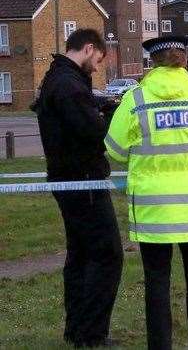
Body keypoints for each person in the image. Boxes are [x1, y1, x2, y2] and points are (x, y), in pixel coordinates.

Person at [105, 35, 188, 350]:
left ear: (152, 62)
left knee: (157, 282)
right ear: (184, 60)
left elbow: (115, 151)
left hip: (154, 208)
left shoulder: (135, 99)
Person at [32, 28, 123, 348]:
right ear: (87, 49)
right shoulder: (69, 85)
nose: (97, 67)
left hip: (69, 179)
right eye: (98, 59)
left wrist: (99, 108)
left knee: (81, 255)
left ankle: (77, 330)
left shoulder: (58, 78)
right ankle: (92, 334)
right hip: (83, 180)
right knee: (107, 254)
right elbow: (93, 133)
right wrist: (111, 115)